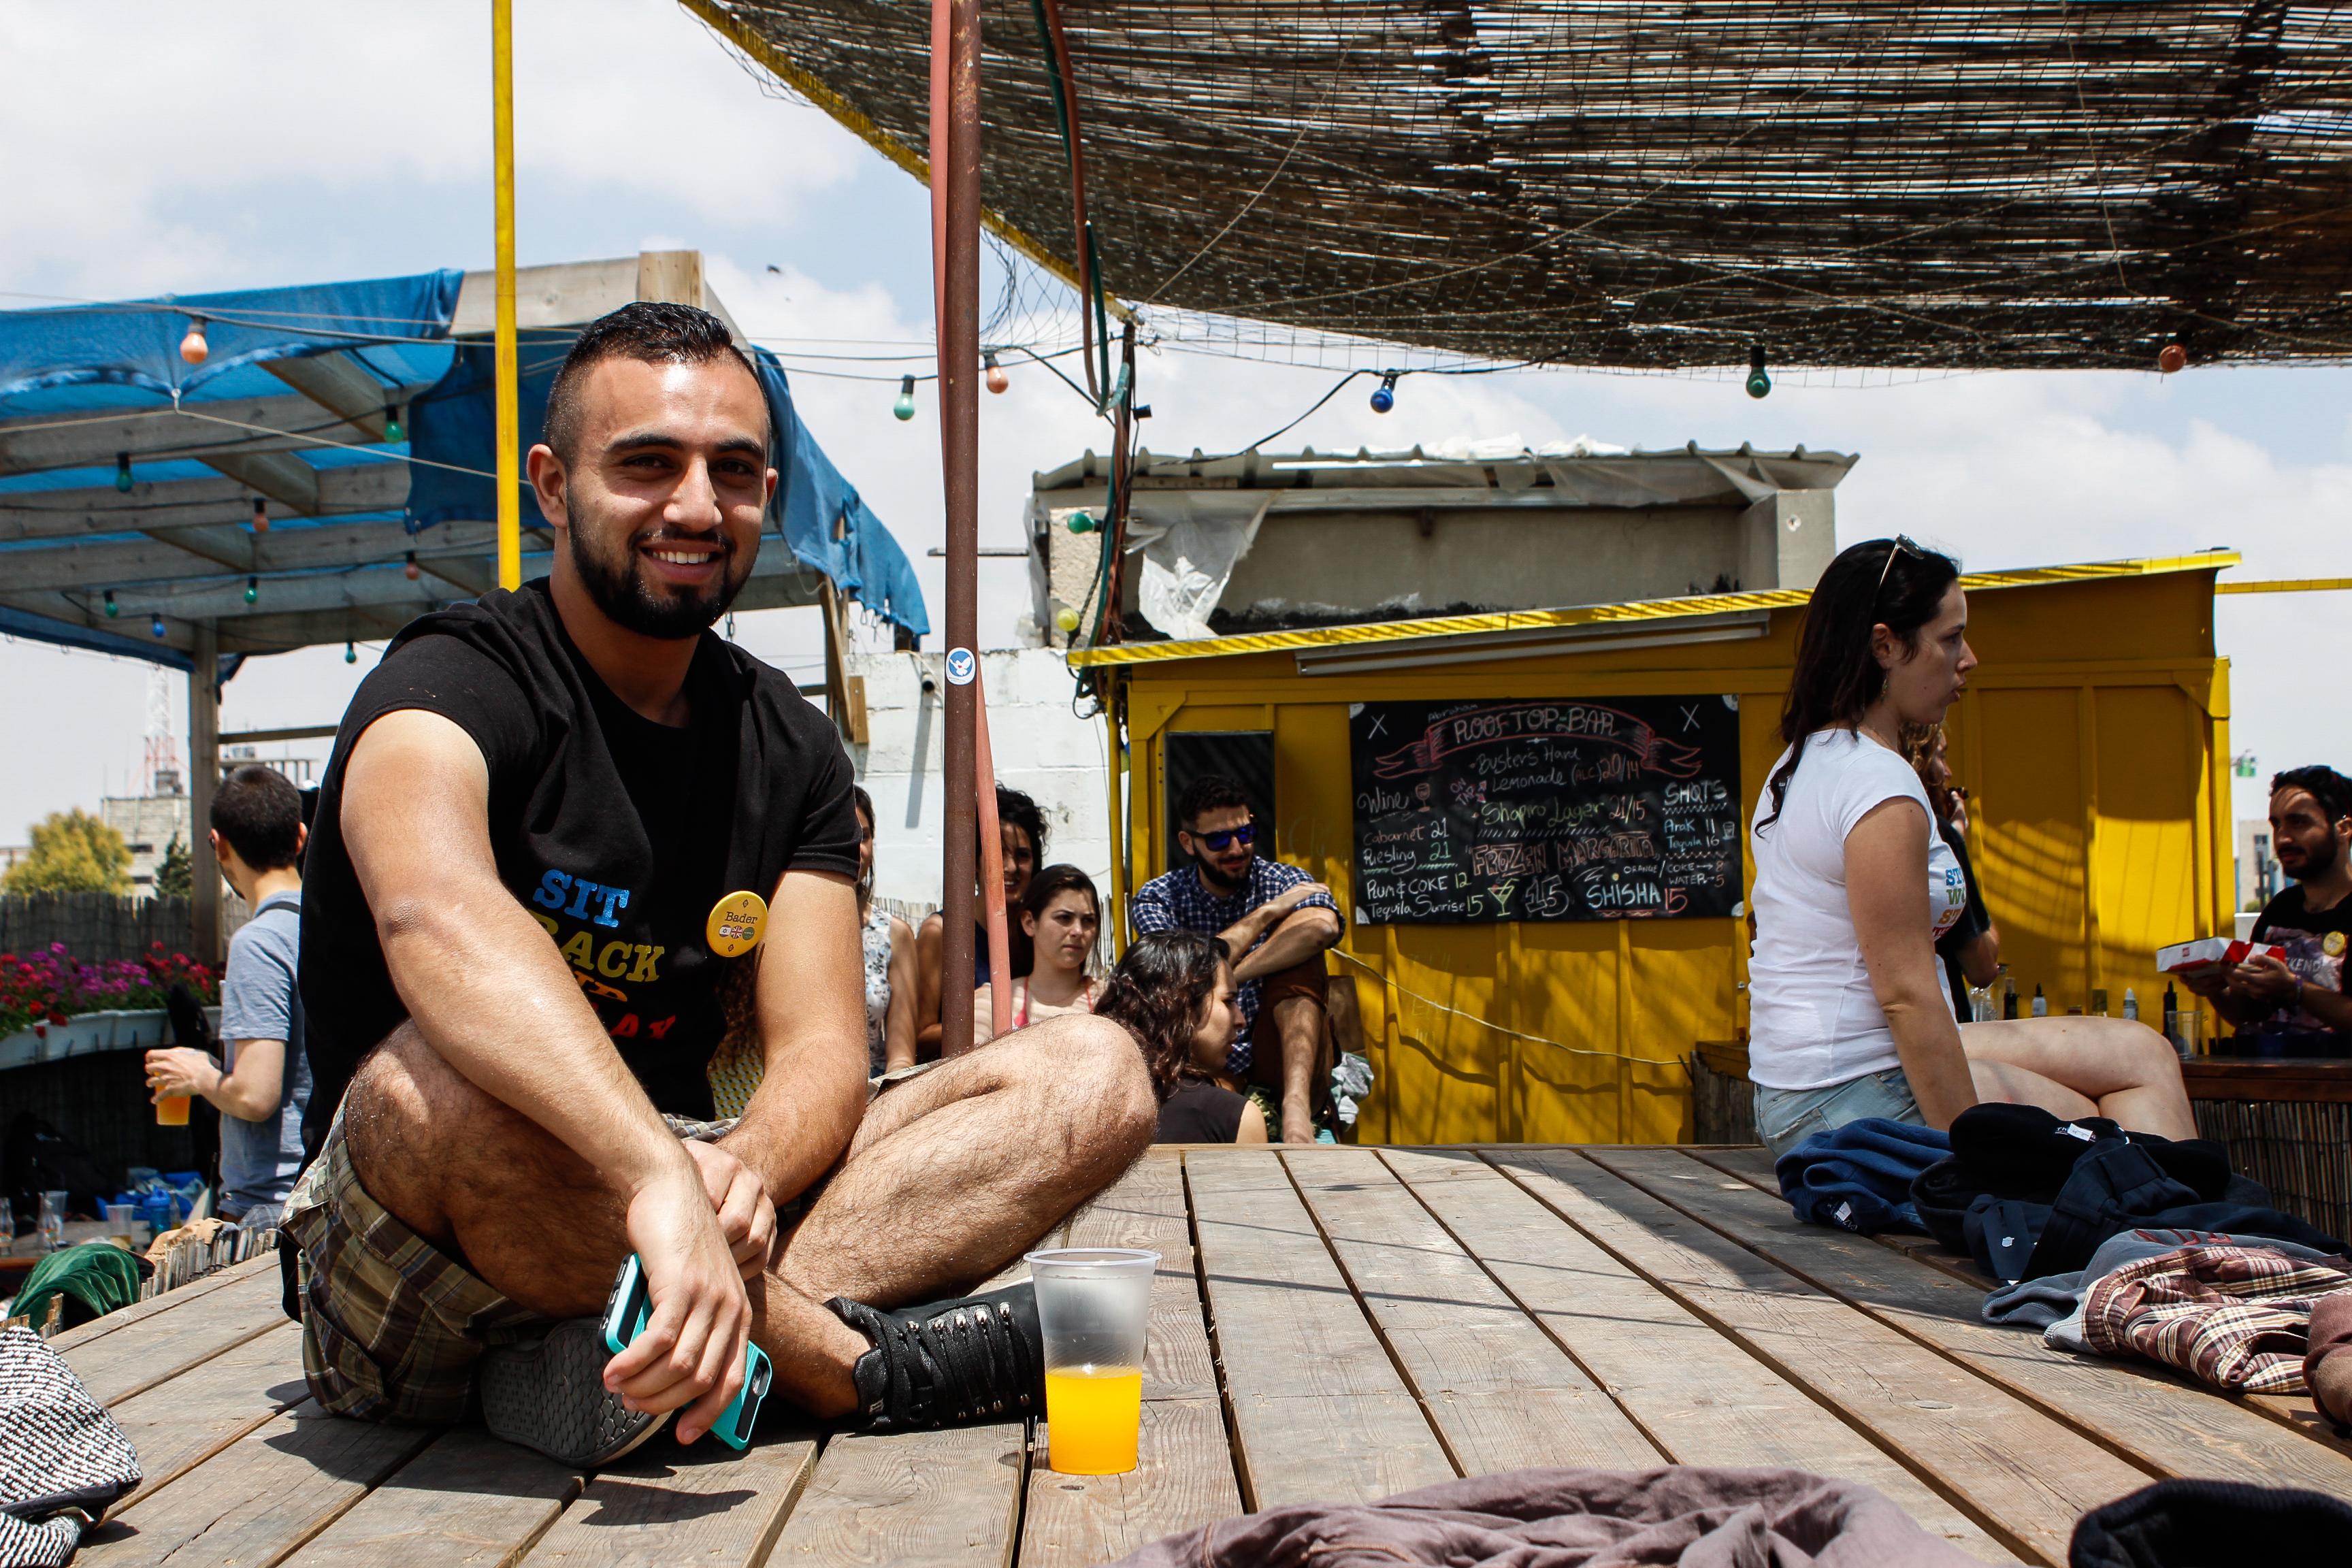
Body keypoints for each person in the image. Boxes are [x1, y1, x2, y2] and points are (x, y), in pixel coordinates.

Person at [284, 301, 1156, 1467]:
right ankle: (853, 1368)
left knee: (1097, 1069)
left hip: (690, 1196)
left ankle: (641, 1356)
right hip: (427, 1243)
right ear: (551, 485)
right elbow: (433, 914)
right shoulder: (447, 683)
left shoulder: (786, 742)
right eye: (647, 463)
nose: (696, 505)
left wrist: (725, 1178)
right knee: (419, 1078)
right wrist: (651, 1172)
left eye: (734, 471)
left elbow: (819, 1057)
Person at [1745, 536, 2193, 1158]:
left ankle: (2164, 1221)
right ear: (1886, 646)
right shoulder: (1878, 785)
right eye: (1951, 638)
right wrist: (1973, 1167)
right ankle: (2167, 1235)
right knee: (2108, 1134)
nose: (1970, 659)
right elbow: (1906, 996)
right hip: (1844, 1094)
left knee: (2142, 1050)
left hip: (1810, 1082)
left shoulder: (1799, 765)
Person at [144, 764, 314, 1228]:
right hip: (330, 1184)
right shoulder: (332, 928)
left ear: (218, 845)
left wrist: (199, 1074)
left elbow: (256, 1095)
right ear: (300, 837)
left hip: (272, 1204)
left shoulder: (259, 943)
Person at [1129, 774, 1340, 1144]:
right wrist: (1268, 913)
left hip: (1278, 1053)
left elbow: (1323, 927)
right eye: (1218, 840)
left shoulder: (1284, 879)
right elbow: (1178, 975)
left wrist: (1232, 975)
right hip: (1199, 1060)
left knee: (1304, 965)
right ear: (1188, 843)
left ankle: (1295, 1107)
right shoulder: (1160, 897)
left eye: (1244, 834)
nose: (1236, 848)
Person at [2183, 765, 2352, 1052]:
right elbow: (2249, 1014)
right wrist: (2217, 990)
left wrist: (2295, 989)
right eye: (2277, 825)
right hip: (2271, 1086)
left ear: (2344, 829)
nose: (2283, 838)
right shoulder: (2280, 909)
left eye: (2299, 823)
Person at [1095, 930, 1269, 1145]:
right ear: (1183, 1006)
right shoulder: (1235, 1118)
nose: (1241, 1020)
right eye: (1228, 1001)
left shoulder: (1087, 1105)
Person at [913, 784, 1045, 1057]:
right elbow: (919, 1035)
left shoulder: (1040, 934)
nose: (1010, 867)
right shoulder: (941, 933)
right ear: (975, 861)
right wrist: (988, 1019)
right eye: (998, 853)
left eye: (1022, 856)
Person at [1902, 723, 1999, 1019]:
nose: (1948, 773)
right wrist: (1954, 846)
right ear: (1918, 761)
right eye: (1941, 757)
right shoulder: (1942, 836)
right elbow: (1983, 968)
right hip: (1943, 1024)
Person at [973, 865, 1103, 1047]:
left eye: (1088, 920)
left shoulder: (1111, 1000)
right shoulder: (993, 1001)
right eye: (1064, 918)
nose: (1078, 931)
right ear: (1029, 923)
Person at [853, 787, 917, 1076]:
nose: (857, 847)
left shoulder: (893, 934)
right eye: (845, 834)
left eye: (864, 836)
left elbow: (901, 1054)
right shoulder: (788, 926)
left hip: (872, 1094)